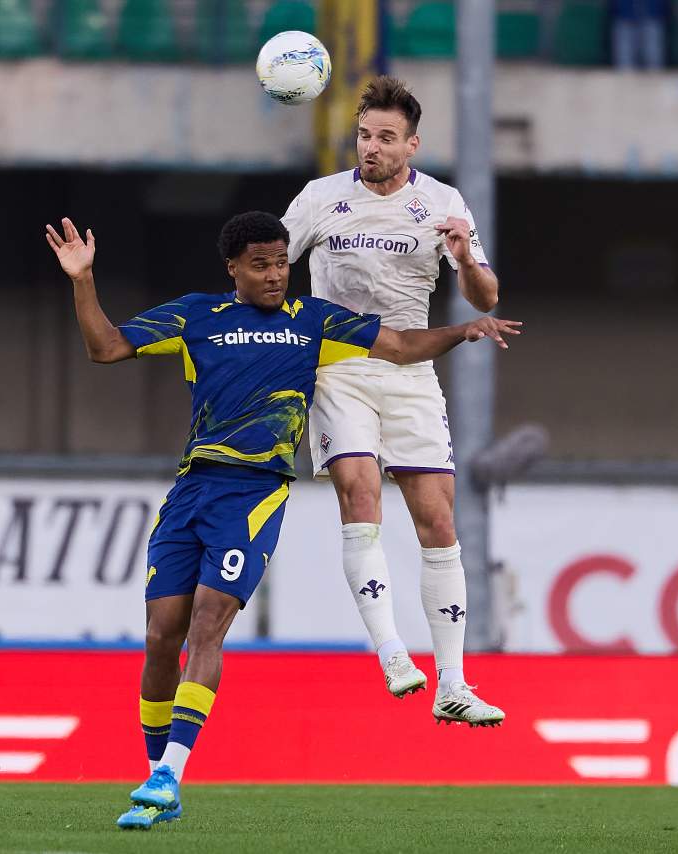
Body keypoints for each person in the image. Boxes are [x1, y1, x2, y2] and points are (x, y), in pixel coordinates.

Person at [43, 212, 521, 830]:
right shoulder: (196, 316)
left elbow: (401, 346)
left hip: (255, 493)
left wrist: (464, 330)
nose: (275, 275)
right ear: (233, 269)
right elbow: (104, 347)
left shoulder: (313, 320)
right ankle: (158, 775)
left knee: (207, 625)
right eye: (261, 265)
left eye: (280, 263)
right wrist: (83, 280)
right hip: (192, 490)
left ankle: (169, 775)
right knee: (161, 636)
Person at [280, 75, 507, 726]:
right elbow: (269, 266)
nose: (371, 147)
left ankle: (453, 683)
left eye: (385, 137)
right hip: (339, 367)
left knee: (438, 522)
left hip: (410, 370)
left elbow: (487, 296)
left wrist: (465, 259)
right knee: (360, 494)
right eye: (363, 135)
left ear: (412, 145)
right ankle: (390, 652)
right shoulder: (320, 198)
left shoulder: (441, 202)